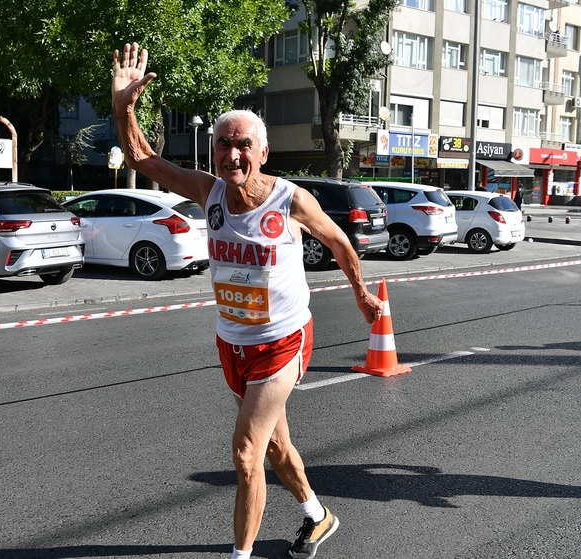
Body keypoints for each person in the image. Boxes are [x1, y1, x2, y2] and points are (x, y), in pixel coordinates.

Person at [111, 42, 383, 559]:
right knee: (275, 445)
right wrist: (124, 106)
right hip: (232, 343)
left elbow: (339, 242)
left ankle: (241, 555)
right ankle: (318, 515)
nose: (232, 155)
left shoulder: (290, 199)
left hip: (282, 342)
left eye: (243, 145)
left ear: (262, 153)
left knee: (245, 454)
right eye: (223, 145)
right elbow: (142, 157)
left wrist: (362, 293)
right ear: (213, 150)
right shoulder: (209, 192)